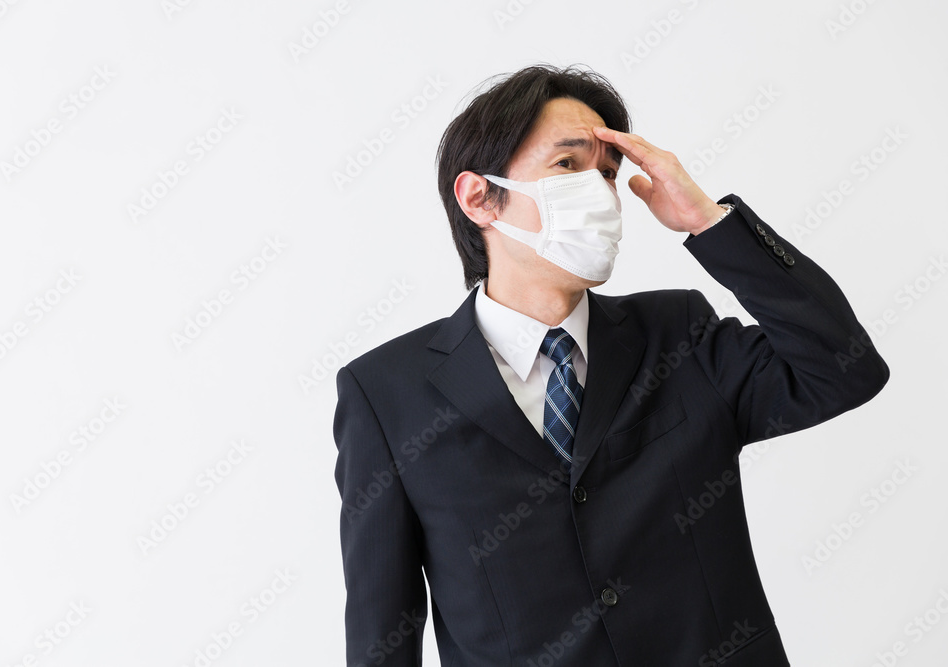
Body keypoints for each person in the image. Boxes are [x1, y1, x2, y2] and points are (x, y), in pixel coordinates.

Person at [332, 64, 889, 666]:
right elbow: (381, 631)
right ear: (479, 198)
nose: (599, 192)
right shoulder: (385, 393)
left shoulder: (679, 333)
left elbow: (844, 370)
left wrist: (709, 223)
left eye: (607, 173)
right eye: (567, 164)